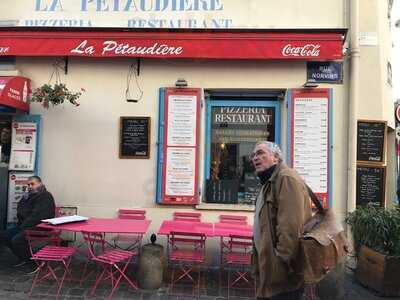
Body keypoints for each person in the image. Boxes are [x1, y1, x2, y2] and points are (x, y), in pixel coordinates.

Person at [251, 141, 312, 300]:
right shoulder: (269, 182)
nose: (255, 158)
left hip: (282, 276)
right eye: (253, 155)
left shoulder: (286, 178)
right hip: (270, 271)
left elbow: (291, 227)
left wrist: (281, 263)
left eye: (260, 153)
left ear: (276, 157)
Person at [0, 176, 55, 269]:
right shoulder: (28, 196)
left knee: (17, 240)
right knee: (3, 236)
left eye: (32, 184)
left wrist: (23, 226)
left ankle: (33, 262)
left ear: (40, 183)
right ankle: (24, 257)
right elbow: (20, 211)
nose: (29, 186)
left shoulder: (45, 196)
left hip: (39, 227)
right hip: (25, 226)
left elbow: (37, 216)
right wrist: (24, 201)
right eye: (28, 184)